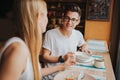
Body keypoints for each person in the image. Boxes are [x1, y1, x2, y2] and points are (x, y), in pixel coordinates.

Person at [0, 0, 76, 80]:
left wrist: (62, 67)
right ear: (39, 17)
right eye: (46, 15)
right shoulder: (18, 50)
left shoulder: (26, 45)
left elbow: (33, 73)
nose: (47, 19)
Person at [42, 3, 91, 75]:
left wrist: (84, 49)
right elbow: (44, 57)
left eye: (73, 19)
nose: (69, 22)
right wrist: (62, 58)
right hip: (52, 74)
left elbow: (84, 44)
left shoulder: (78, 34)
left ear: (78, 21)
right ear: (63, 18)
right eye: (67, 18)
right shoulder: (50, 34)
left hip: (70, 73)